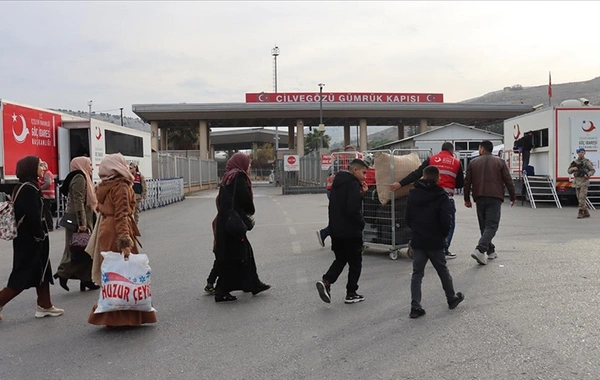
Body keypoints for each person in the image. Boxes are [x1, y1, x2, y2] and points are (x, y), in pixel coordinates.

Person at [87, 153, 157, 327]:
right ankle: (125, 316)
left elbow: (102, 208)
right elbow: (122, 215)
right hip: (118, 231)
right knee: (127, 274)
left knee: (112, 273)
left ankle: (111, 312)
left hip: (106, 229)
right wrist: (125, 242)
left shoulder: (104, 186)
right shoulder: (121, 187)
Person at [0, 156, 64, 320]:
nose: (43, 167)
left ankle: (45, 305)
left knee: (42, 270)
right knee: (21, 277)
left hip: (28, 239)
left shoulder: (24, 186)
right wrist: (39, 235)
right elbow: (33, 217)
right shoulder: (29, 188)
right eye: (40, 164)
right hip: (31, 240)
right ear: (30, 168)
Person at [405, 165, 464, 318]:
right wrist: (442, 235)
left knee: (417, 274)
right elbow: (446, 220)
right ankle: (451, 298)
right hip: (435, 240)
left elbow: (408, 218)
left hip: (418, 239)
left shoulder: (413, 194)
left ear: (423, 177)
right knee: (443, 271)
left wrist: (416, 230)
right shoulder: (441, 196)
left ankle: (415, 306)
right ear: (438, 178)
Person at [390, 142, 464, 260]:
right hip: (445, 198)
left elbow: (417, 174)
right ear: (452, 151)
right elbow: (460, 184)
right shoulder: (456, 162)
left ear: (441, 150)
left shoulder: (431, 159)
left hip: (426, 196)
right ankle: (443, 249)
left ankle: (417, 244)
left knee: (425, 223)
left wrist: (400, 184)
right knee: (448, 225)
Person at [213, 152, 270, 302]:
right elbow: (244, 199)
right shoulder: (239, 176)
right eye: (248, 163)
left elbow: (220, 200)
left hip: (225, 221)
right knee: (237, 256)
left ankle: (253, 284)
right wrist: (249, 210)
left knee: (242, 253)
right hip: (233, 223)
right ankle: (222, 291)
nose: (249, 166)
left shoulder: (227, 176)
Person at [316, 158, 369, 304]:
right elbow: (352, 208)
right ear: (354, 170)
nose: (365, 176)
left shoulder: (338, 183)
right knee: (355, 262)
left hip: (336, 230)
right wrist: (361, 223)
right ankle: (351, 292)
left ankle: (326, 281)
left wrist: (361, 194)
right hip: (350, 231)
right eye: (363, 173)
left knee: (341, 259)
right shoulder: (352, 184)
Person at [464, 140, 517, 265]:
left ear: (482, 149)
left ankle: (490, 251)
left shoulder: (473, 162)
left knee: (484, 225)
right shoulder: (500, 162)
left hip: (479, 197)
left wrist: (467, 198)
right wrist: (513, 196)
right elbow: (508, 180)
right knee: (492, 225)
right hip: (495, 197)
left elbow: (467, 182)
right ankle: (480, 249)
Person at [53, 157, 100, 292]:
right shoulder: (79, 178)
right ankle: (64, 273)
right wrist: (82, 224)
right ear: (82, 165)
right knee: (80, 250)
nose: (91, 167)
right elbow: (78, 201)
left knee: (84, 250)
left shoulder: (83, 177)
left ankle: (86, 279)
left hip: (84, 217)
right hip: (78, 220)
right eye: (89, 165)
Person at [317, 145, 362, 247]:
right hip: (335, 191)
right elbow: (332, 173)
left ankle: (327, 234)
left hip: (337, 191)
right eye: (352, 154)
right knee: (342, 216)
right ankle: (325, 233)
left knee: (341, 216)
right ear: (347, 154)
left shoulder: (345, 162)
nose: (353, 156)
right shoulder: (341, 162)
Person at [568, 147, 595, 219]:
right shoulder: (575, 162)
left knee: (582, 197)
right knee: (578, 197)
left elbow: (592, 170)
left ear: (584, 153)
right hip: (577, 181)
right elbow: (569, 171)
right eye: (580, 152)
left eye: (582, 152)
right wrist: (573, 169)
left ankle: (580, 212)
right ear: (577, 153)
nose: (581, 153)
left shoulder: (587, 162)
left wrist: (588, 174)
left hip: (584, 181)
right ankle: (586, 212)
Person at [39, 161, 56, 231]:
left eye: (41, 166)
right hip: (47, 195)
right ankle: (48, 226)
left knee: (47, 212)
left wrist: (40, 188)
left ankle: (50, 226)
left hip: (47, 196)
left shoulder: (47, 173)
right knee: (46, 212)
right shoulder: (47, 173)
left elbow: (48, 183)